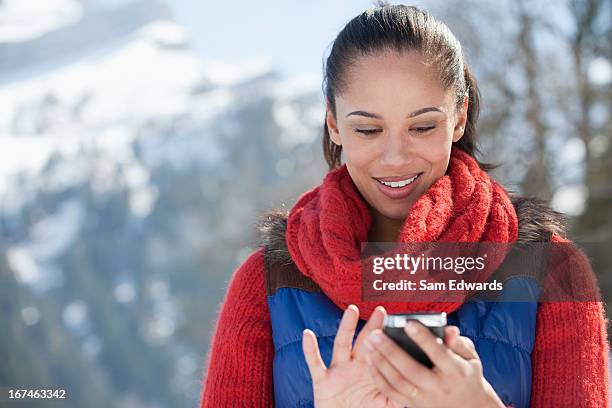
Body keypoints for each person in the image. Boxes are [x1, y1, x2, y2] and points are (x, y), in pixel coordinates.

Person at [199, 3, 609, 407]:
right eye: (368, 129)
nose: (395, 157)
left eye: (423, 126)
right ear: (334, 124)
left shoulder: (553, 274)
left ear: (459, 118)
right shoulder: (266, 282)